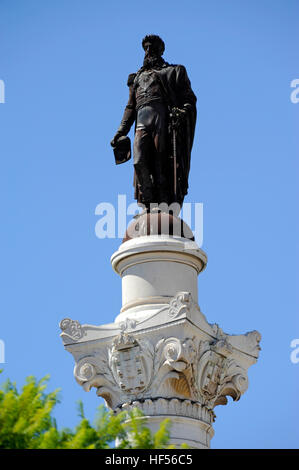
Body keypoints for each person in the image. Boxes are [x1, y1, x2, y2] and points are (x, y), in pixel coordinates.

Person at [111, 35, 197, 210]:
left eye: (152, 47)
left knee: (160, 163)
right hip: (142, 120)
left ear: (161, 50)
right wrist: (121, 131)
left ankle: (162, 205)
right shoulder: (137, 78)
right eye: (146, 48)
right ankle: (148, 201)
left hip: (162, 119)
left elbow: (189, 99)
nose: (148, 51)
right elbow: (130, 107)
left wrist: (182, 111)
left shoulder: (174, 71)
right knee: (139, 160)